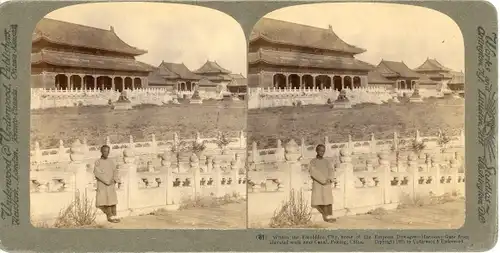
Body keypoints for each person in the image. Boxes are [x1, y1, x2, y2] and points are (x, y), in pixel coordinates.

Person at [309, 144, 336, 222]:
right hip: (318, 184)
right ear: (317, 151)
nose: (322, 152)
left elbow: (331, 170)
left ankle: (330, 215)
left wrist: (330, 179)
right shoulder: (313, 162)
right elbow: (313, 172)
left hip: (327, 184)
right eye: (320, 150)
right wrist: (323, 180)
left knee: (328, 201)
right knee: (320, 201)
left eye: (323, 151)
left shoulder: (326, 161)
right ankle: (326, 216)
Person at [94, 145, 121, 223]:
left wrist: (114, 179)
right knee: (106, 201)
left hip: (111, 184)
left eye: (108, 151)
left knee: (113, 200)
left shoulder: (111, 161)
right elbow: (97, 173)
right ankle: (110, 217)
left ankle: (115, 215)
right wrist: (107, 181)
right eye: (105, 151)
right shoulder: (98, 162)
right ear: (101, 151)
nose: (107, 153)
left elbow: (115, 171)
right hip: (103, 185)